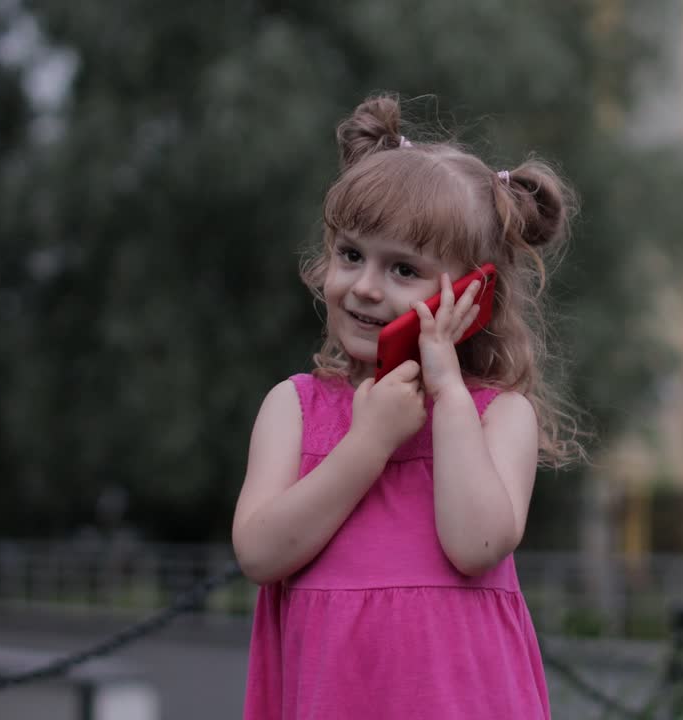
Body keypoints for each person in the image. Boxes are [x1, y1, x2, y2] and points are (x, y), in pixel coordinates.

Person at [231, 93, 584, 719]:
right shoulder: (295, 406)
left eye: (403, 269)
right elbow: (259, 554)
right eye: (351, 255)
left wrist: (447, 394)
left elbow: (476, 544)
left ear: (473, 294)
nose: (364, 287)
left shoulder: (498, 415)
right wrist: (367, 444)